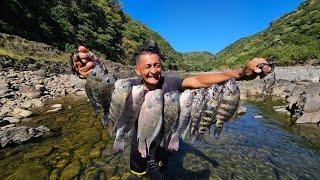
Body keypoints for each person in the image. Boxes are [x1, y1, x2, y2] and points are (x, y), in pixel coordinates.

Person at [73, 41, 273, 179]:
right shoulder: (130, 86)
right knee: (138, 173)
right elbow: (106, 87)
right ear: (138, 70)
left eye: (157, 65)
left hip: (161, 147)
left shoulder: (171, 83)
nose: (153, 70)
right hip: (138, 142)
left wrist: (242, 73)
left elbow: (199, 80)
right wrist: (91, 69)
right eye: (148, 66)